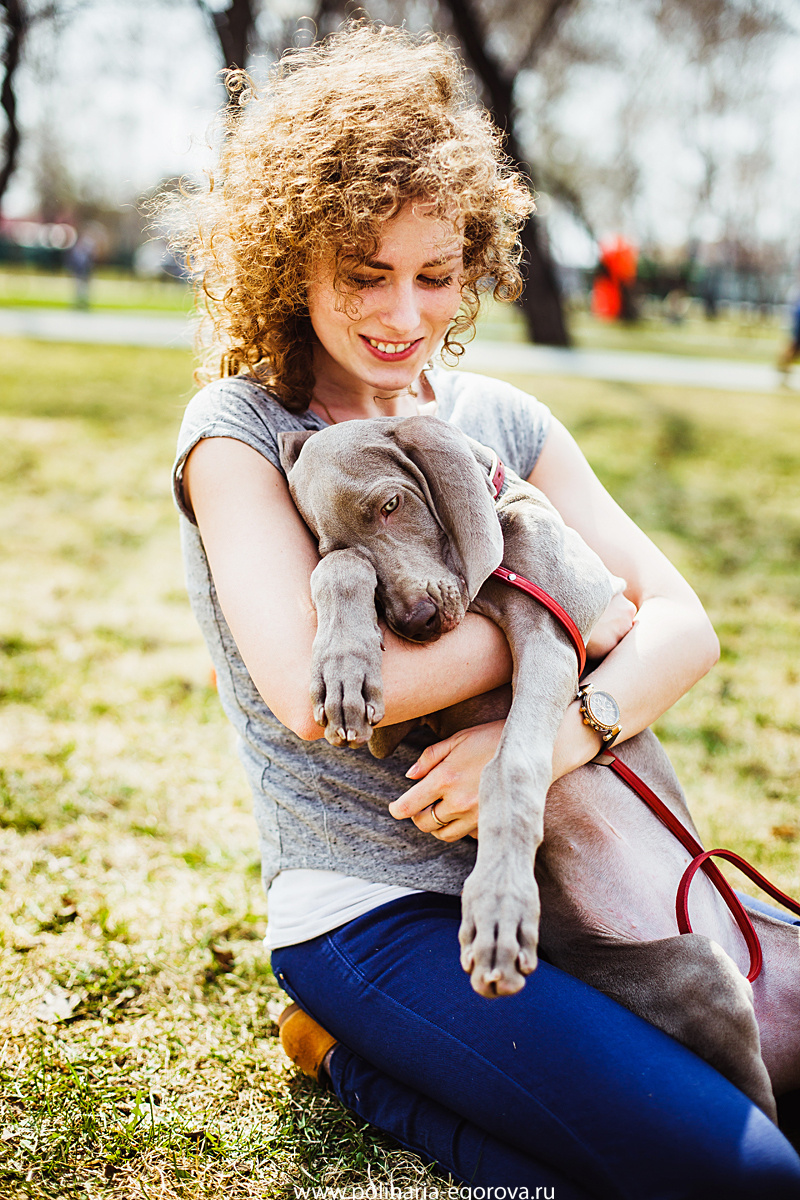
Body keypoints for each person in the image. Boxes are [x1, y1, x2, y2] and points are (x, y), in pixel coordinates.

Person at [168, 24, 800, 1197]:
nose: (400, 312)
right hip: (372, 913)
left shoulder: (501, 419)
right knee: (744, 1179)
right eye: (361, 272)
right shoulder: (238, 433)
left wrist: (553, 739)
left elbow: (684, 626)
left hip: (569, 899)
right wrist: (558, 607)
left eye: (434, 271)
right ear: (288, 261)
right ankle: (348, 1058)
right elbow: (320, 693)